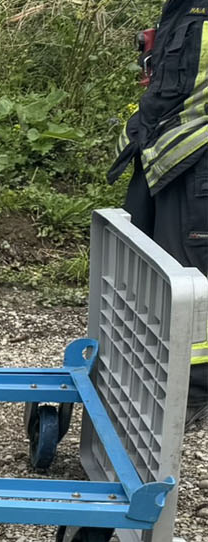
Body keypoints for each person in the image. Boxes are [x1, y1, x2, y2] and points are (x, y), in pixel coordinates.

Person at [110, 0, 208, 426]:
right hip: (159, 156)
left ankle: (193, 393)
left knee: (192, 279)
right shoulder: (184, 7)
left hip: (196, 162)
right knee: (142, 270)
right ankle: (144, 374)